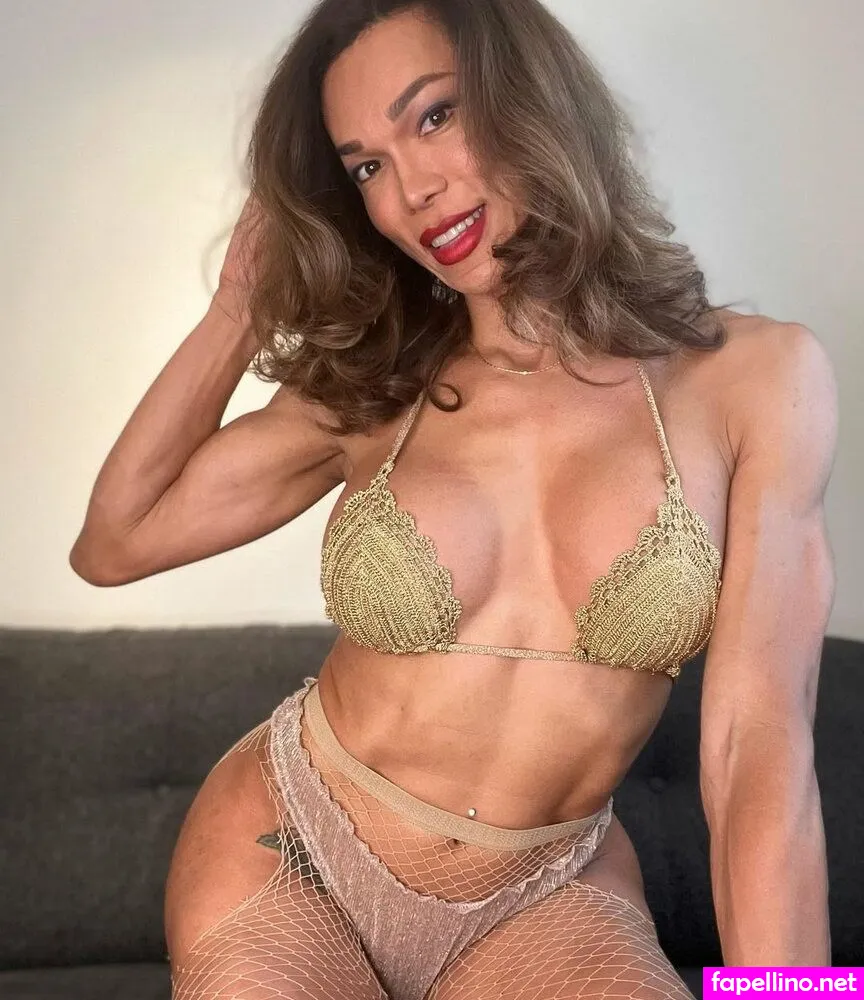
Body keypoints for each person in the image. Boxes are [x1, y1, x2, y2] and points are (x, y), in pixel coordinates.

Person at [69, 0, 838, 996]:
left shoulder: (758, 379)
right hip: (292, 846)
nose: (411, 192)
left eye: (433, 116)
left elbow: (755, 745)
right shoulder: (382, 382)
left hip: (544, 891)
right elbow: (114, 542)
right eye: (366, 168)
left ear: (531, 95)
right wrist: (237, 308)